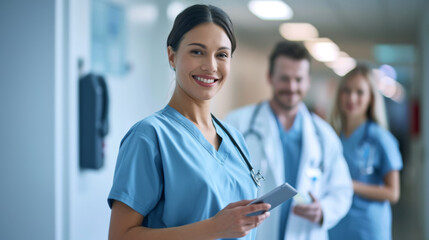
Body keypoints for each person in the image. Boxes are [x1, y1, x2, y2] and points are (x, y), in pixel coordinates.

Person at [107, 4, 271, 240]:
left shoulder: (235, 139)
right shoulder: (149, 136)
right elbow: (120, 236)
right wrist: (214, 228)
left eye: (222, 54)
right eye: (197, 52)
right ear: (172, 56)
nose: (211, 66)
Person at [225, 41, 353, 240]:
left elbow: (342, 189)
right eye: (284, 78)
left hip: (305, 232)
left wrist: (324, 211)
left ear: (308, 81)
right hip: (253, 233)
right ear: (270, 77)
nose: (292, 87)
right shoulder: (238, 124)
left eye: (298, 79)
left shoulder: (323, 135)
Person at [328, 64, 402, 240]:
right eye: (346, 91)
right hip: (337, 224)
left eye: (360, 92)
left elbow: (393, 193)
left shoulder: (380, 138)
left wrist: (349, 184)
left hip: (368, 228)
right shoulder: (332, 136)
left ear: (371, 98)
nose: (351, 98)